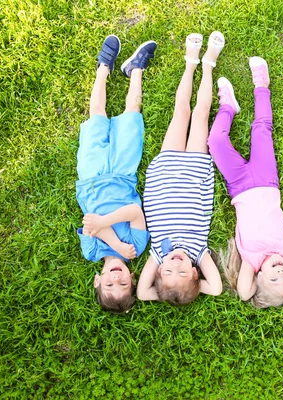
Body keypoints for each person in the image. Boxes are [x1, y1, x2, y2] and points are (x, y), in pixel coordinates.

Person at [208, 57, 283, 308]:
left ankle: (228, 107)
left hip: (239, 186)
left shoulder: (251, 259)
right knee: (261, 129)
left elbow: (245, 294)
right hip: (266, 181)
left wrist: (261, 284)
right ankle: (261, 85)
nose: (280, 272)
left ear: (258, 277)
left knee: (215, 142)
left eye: (274, 279)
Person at [136, 32, 225, 305]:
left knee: (181, 111)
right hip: (196, 170)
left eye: (168, 272)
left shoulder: (157, 254)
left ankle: (190, 63)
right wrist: (193, 287)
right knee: (201, 113)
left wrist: (166, 292)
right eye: (183, 272)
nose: (176, 264)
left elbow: (141, 293)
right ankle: (208, 65)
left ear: (159, 271)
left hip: (167, 170)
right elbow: (218, 288)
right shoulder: (199, 253)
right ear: (196, 273)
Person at [77, 35, 157, 313]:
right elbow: (134, 211)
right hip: (123, 174)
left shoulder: (91, 252)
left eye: (109, 285)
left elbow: (90, 222)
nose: (116, 279)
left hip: (91, 178)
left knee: (97, 114)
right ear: (133, 279)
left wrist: (108, 237)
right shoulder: (137, 246)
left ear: (97, 281)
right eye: (123, 285)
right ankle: (135, 69)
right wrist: (113, 235)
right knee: (132, 113)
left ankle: (103, 68)